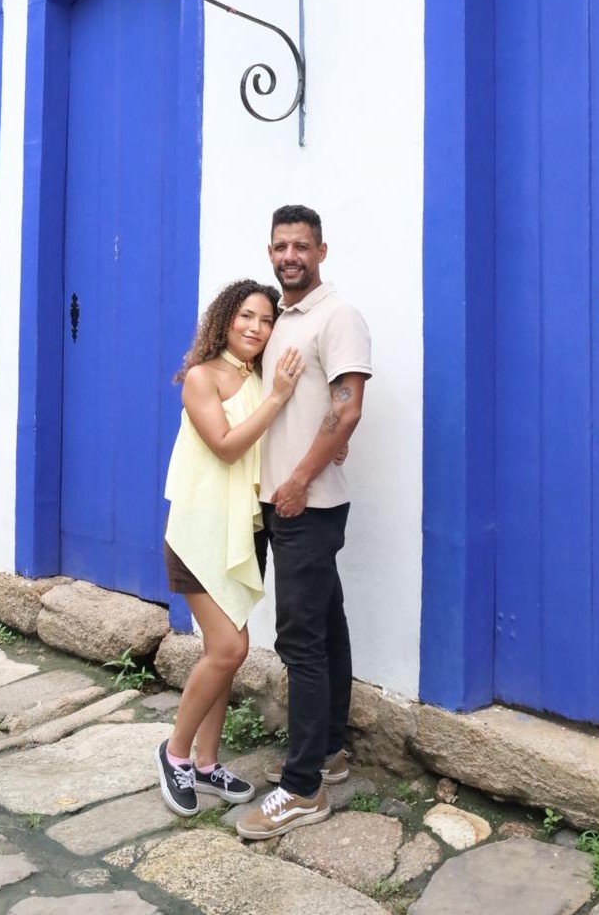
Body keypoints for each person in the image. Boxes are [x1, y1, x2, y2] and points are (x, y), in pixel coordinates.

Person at [237, 205, 372, 841]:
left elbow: (347, 408)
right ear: (270, 252)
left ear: (322, 250)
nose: (290, 255)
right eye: (280, 246)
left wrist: (298, 479)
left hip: (307, 504)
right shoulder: (278, 317)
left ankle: (301, 788)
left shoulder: (337, 315)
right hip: (280, 500)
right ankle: (329, 752)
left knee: (300, 643)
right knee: (327, 626)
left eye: (301, 245)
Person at [155, 279, 305, 818]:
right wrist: (278, 398)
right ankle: (175, 753)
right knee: (229, 649)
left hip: (241, 531)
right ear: (225, 318)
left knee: (219, 654)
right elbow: (224, 447)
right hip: (198, 534)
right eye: (246, 316)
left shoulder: (260, 377)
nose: (256, 328)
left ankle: (205, 762)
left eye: (266, 320)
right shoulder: (203, 377)